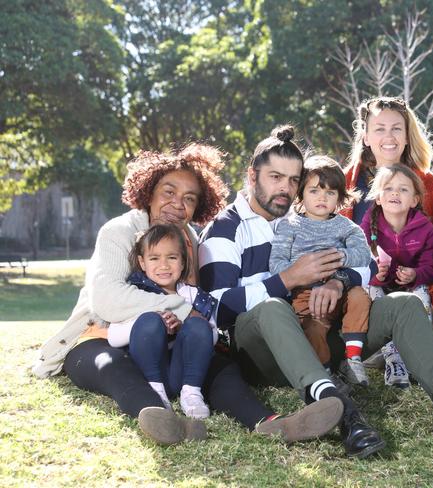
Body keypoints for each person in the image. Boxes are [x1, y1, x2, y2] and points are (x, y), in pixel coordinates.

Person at [200, 125, 433, 459]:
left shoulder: (307, 219)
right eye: (275, 177)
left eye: (293, 180)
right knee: (272, 306)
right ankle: (344, 415)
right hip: (262, 351)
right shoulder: (227, 227)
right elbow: (216, 308)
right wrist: (288, 279)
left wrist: (337, 280)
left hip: (323, 333)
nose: (285, 188)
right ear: (252, 176)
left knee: (404, 303)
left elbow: (368, 266)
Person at [32, 143, 344, 446]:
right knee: (112, 366)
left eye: (189, 198)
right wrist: (181, 308)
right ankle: (159, 418)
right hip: (100, 339)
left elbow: (201, 305)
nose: (177, 204)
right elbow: (108, 299)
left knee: (220, 368)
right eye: (169, 192)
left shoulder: (191, 240)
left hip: (167, 345)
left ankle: (269, 423)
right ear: (148, 193)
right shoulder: (119, 231)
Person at [342, 96, 433, 325]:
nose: (389, 136)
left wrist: (423, 275)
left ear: (407, 136)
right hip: (358, 302)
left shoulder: (430, 185)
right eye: (379, 129)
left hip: (416, 302)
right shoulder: (345, 184)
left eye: (397, 129)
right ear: (366, 137)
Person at [269, 155, 373, 386]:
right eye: (314, 191)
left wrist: (340, 258)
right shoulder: (289, 226)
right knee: (311, 328)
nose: (322, 198)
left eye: (330, 193)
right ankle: (325, 373)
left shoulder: (346, 226)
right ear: (301, 194)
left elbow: (364, 254)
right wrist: (302, 271)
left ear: (340, 197)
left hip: (341, 291)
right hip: (306, 294)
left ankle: (353, 358)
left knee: (360, 297)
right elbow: (276, 264)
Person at [107, 224, 218, 418]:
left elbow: (214, 335)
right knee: (150, 320)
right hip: (146, 374)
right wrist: (153, 320)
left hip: (182, 373)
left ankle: (192, 393)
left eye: (172, 257)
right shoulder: (137, 295)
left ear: (183, 262)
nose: (164, 265)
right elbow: (114, 338)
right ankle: (155, 394)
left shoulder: (192, 295)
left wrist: (184, 327)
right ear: (142, 263)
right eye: (154, 258)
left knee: (199, 324)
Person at [359, 165, 433, 388]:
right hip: (380, 291)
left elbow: (432, 268)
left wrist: (414, 274)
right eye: (388, 188)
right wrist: (376, 272)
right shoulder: (367, 225)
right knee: (368, 290)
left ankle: (419, 354)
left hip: (410, 289)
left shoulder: (425, 229)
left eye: (403, 190)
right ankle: (393, 358)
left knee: (421, 293)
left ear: (414, 200)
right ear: (378, 197)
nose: (395, 193)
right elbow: (359, 262)